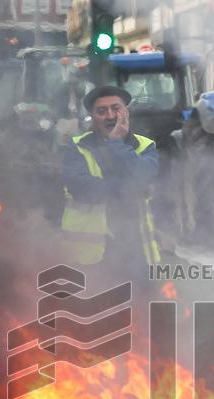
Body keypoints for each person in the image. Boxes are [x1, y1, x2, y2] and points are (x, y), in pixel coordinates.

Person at [59, 84, 160, 276]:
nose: (110, 116)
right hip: (91, 258)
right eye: (101, 111)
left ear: (126, 112)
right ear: (93, 116)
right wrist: (128, 189)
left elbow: (142, 174)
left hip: (138, 253)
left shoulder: (146, 146)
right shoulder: (77, 147)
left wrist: (116, 143)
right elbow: (83, 189)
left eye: (116, 108)